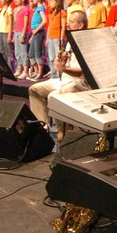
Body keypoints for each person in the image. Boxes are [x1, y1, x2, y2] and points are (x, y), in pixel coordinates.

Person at [28, 10, 90, 141]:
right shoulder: (70, 41)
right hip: (65, 80)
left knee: (53, 97)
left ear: (81, 25)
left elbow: (80, 72)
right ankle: (42, 127)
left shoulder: (86, 42)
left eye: (72, 22)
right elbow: (65, 63)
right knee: (34, 90)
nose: (68, 24)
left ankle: (62, 132)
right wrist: (60, 61)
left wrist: (64, 68)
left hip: (79, 83)